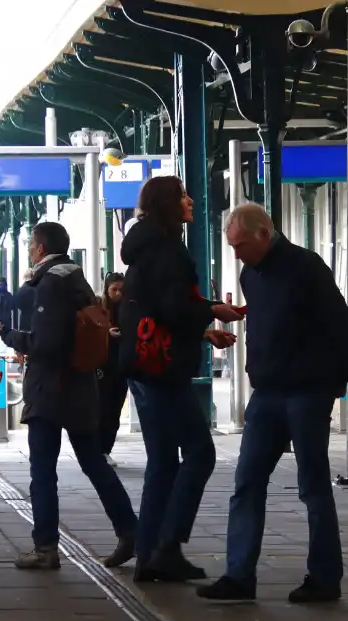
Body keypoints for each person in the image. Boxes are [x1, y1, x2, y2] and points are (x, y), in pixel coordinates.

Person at [196, 203, 348, 604]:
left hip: (306, 392)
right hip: (267, 394)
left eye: (242, 244)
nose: (237, 254)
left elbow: (341, 323)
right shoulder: (252, 274)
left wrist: (338, 382)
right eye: (232, 246)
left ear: (266, 234)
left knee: (313, 486)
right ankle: (238, 575)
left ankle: (324, 577)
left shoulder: (306, 267)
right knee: (246, 482)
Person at [119, 176, 241, 582]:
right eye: (183, 196)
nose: (190, 201)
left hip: (143, 365)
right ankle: (166, 546)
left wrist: (203, 326)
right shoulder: (168, 251)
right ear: (167, 204)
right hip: (165, 370)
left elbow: (157, 310)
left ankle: (149, 554)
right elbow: (174, 309)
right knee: (200, 454)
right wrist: (211, 311)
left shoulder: (142, 249)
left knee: (163, 462)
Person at [0, 222, 137, 571]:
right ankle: (131, 531)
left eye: (31, 245)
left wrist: (12, 337)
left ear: (42, 248)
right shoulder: (79, 281)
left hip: (51, 391)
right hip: (81, 388)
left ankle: (45, 547)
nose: (30, 250)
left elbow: (46, 344)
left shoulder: (50, 284)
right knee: (94, 464)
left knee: (43, 470)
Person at [97, 272, 127, 467]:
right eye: (114, 290)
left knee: (115, 409)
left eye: (121, 290)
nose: (118, 294)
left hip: (121, 365)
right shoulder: (99, 307)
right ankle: (98, 449)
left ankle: (105, 449)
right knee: (102, 407)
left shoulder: (129, 308)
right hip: (102, 364)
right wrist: (106, 333)